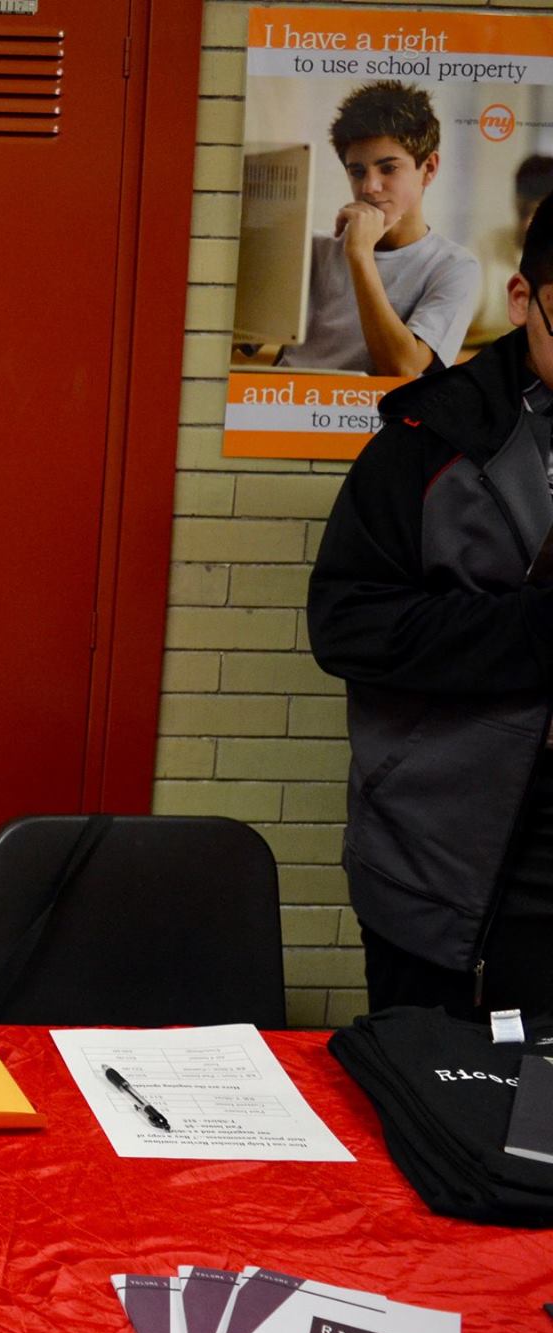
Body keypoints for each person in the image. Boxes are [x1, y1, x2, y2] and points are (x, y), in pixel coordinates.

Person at [308, 193, 553, 1016]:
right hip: (442, 863)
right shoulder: (428, 436)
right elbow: (348, 624)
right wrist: (531, 633)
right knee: (428, 1085)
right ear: (521, 299)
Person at [278, 81, 477, 378]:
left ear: (429, 168)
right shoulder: (311, 250)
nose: (369, 187)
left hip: (366, 406)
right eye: (357, 172)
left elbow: (403, 369)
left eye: (388, 168)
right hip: (281, 397)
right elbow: (237, 339)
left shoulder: (453, 266)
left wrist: (360, 254)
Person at [468, 154, 553, 346]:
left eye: (539, 215)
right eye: (523, 212)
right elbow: (456, 312)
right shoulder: (486, 249)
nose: (527, 223)